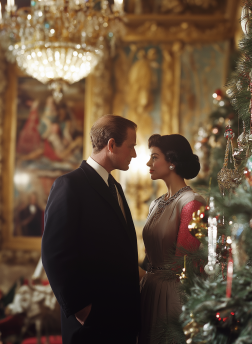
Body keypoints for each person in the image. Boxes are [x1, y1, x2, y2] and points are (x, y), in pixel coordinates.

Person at [42, 115, 141, 344]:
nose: (134, 154)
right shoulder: (70, 185)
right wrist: (82, 310)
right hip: (90, 326)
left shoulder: (115, 186)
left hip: (121, 322)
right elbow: (55, 254)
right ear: (112, 145)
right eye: (131, 146)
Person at [138, 134, 206, 344]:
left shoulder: (191, 202)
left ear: (172, 162)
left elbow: (184, 263)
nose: (149, 163)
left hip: (173, 294)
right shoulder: (156, 204)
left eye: (155, 157)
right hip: (149, 288)